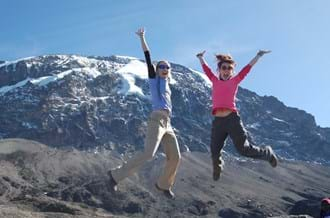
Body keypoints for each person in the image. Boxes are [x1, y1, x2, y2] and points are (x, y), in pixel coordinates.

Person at [107, 27, 181, 199]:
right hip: (156, 120)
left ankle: (163, 185)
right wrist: (142, 38)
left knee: (175, 157)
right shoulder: (154, 81)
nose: (164, 68)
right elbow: (148, 57)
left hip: (167, 124)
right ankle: (115, 176)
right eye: (161, 66)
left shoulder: (167, 83)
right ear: (157, 69)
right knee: (149, 154)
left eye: (167, 67)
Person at [196, 50, 278, 181]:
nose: (227, 70)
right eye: (224, 68)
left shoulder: (235, 81)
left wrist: (258, 55)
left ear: (232, 71)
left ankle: (267, 153)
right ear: (219, 69)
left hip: (232, 119)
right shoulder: (214, 80)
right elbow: (206, 69)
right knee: (214, 149)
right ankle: (218, 166)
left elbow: (247, 68)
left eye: (230, 68)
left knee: (243, 149)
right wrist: (200, 58)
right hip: (218, 121)